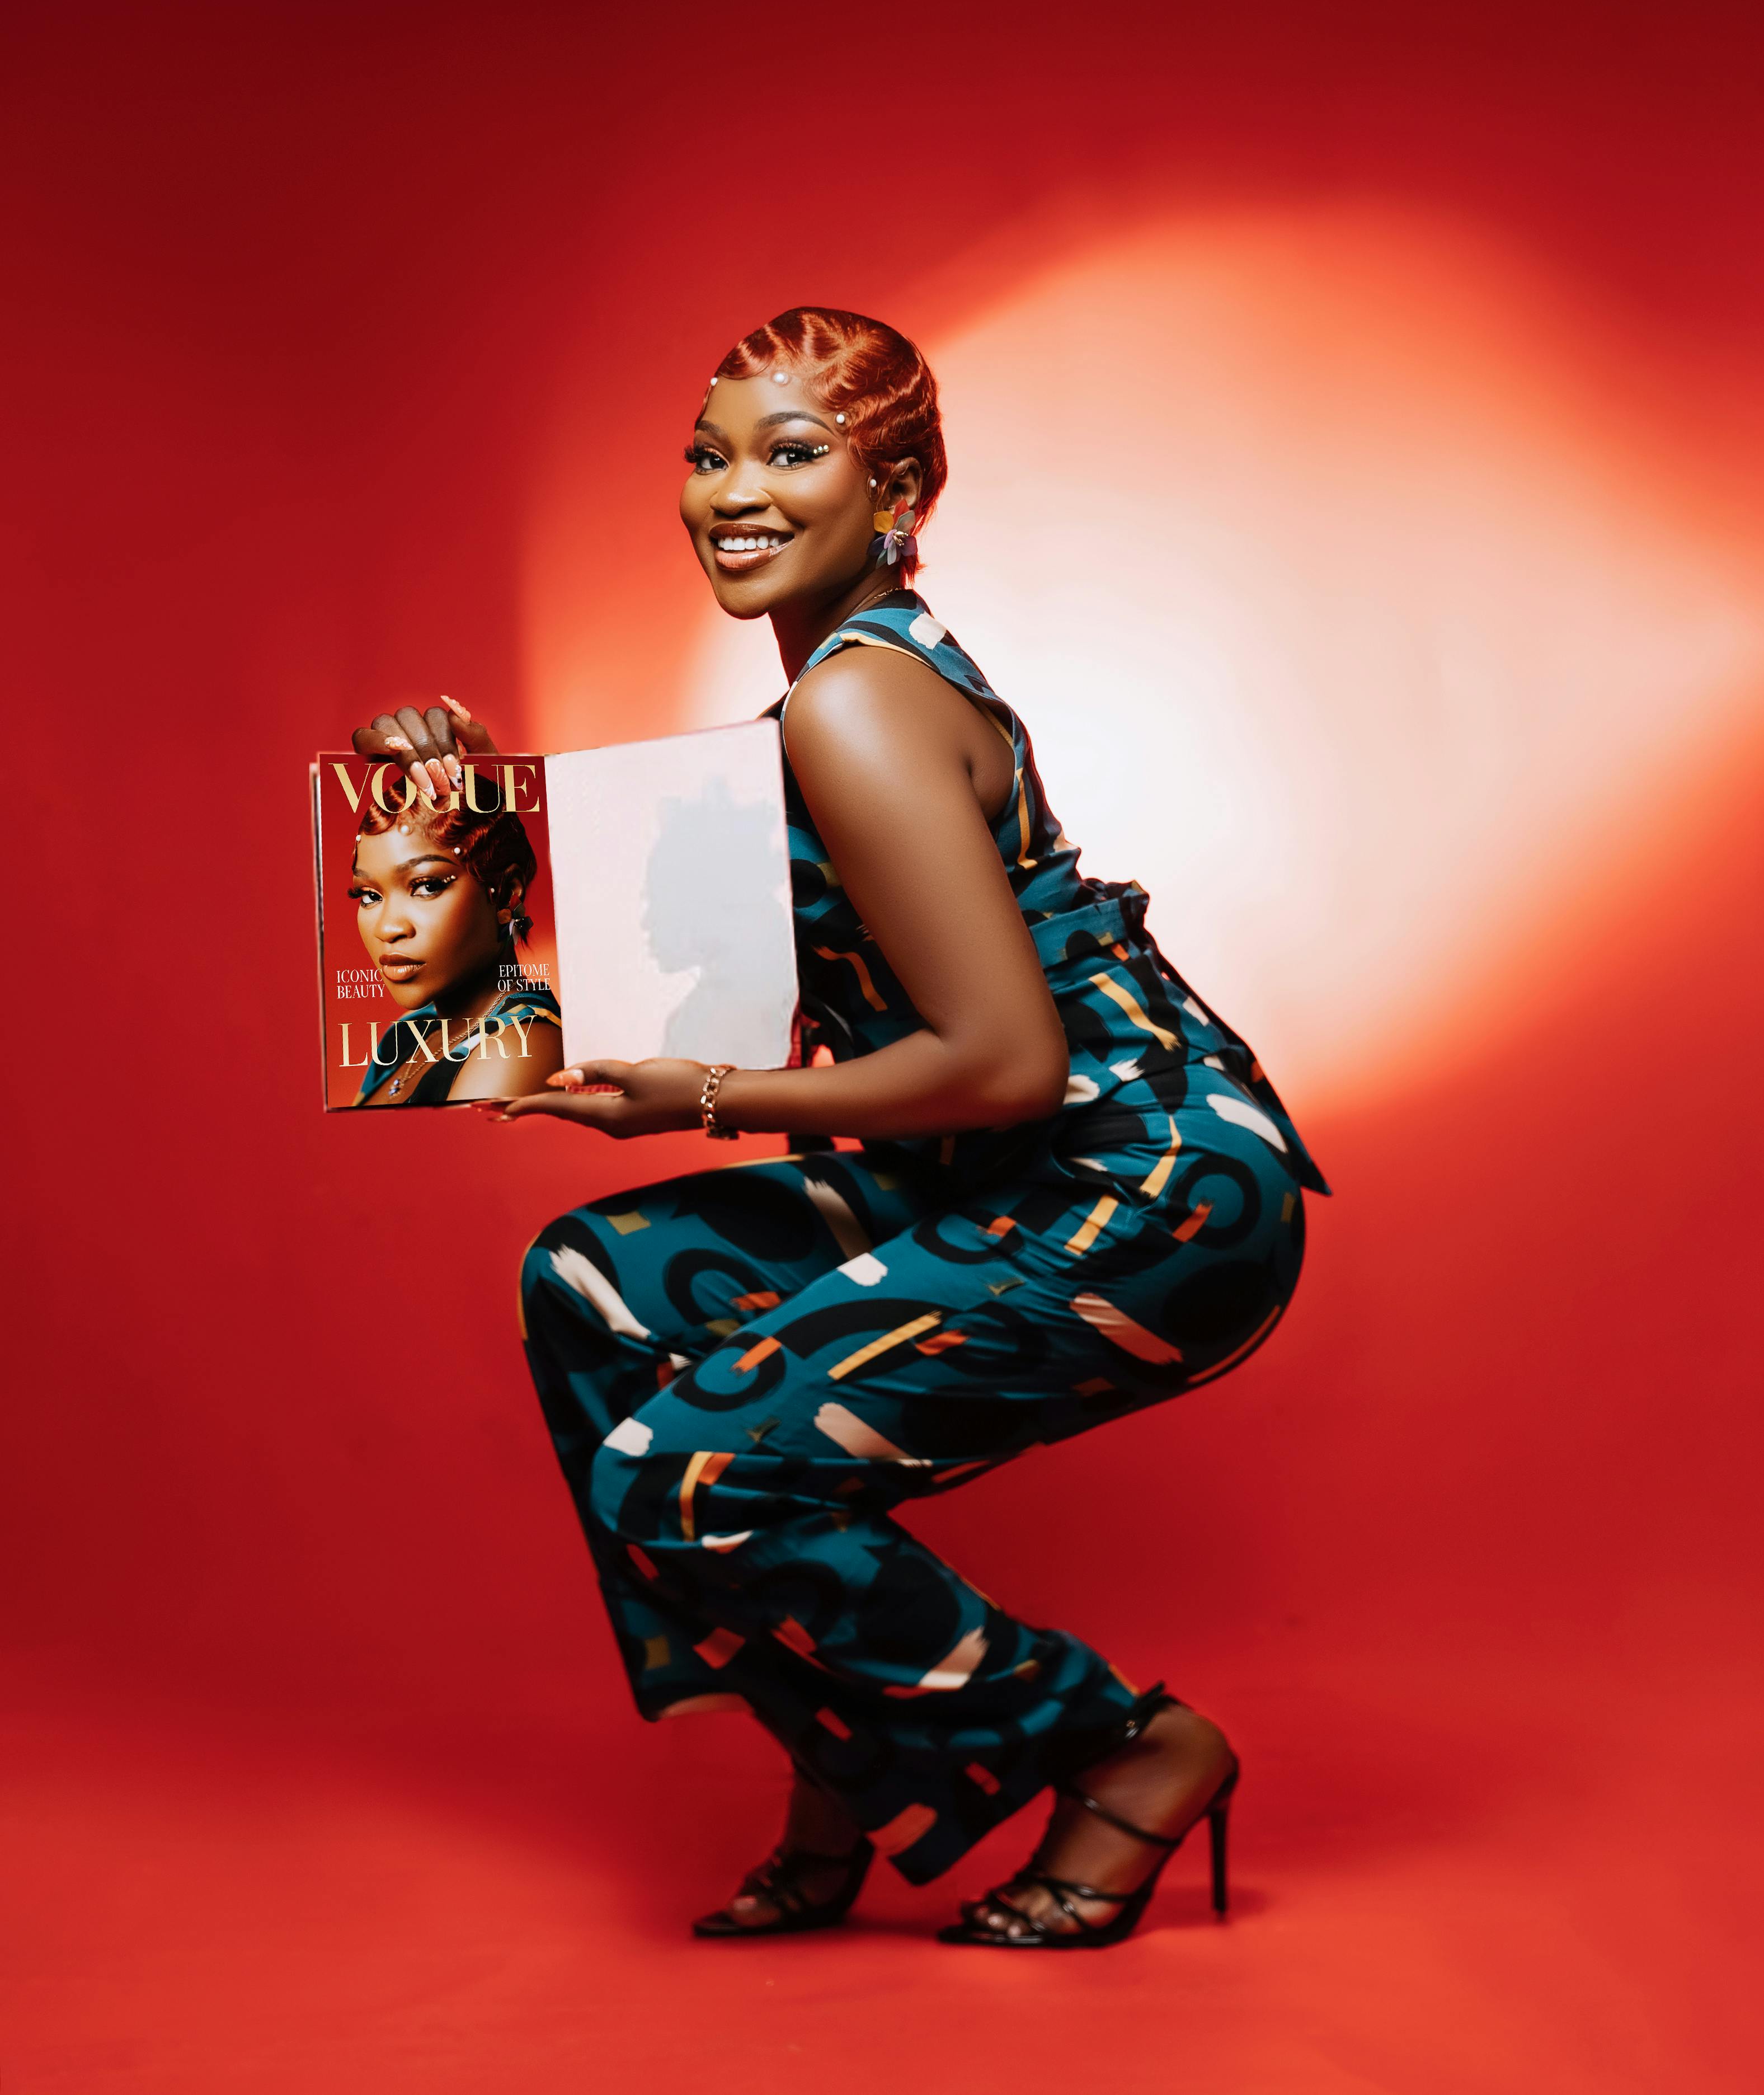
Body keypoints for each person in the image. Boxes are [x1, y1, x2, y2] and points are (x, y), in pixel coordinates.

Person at [351, 307, 1328, 1948]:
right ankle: (864, 1767)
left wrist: (709, 1099)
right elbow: (709, 982)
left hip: (1136, 1186)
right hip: (997, 1167)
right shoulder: (825, 698)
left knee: (696, 1471)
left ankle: (1130, 1747)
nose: (732, 489)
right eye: (707, 449)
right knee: (594, 1284)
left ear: (897, 488)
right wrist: (455, 809)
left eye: (789, 451)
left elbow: (1005, 1062)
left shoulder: (850, 712)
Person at [346, 777, 561, 1107]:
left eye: (427, 886)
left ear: (508, 894)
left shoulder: (521, 1045)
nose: (389, 928)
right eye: (370, 895)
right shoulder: (406, 1034)